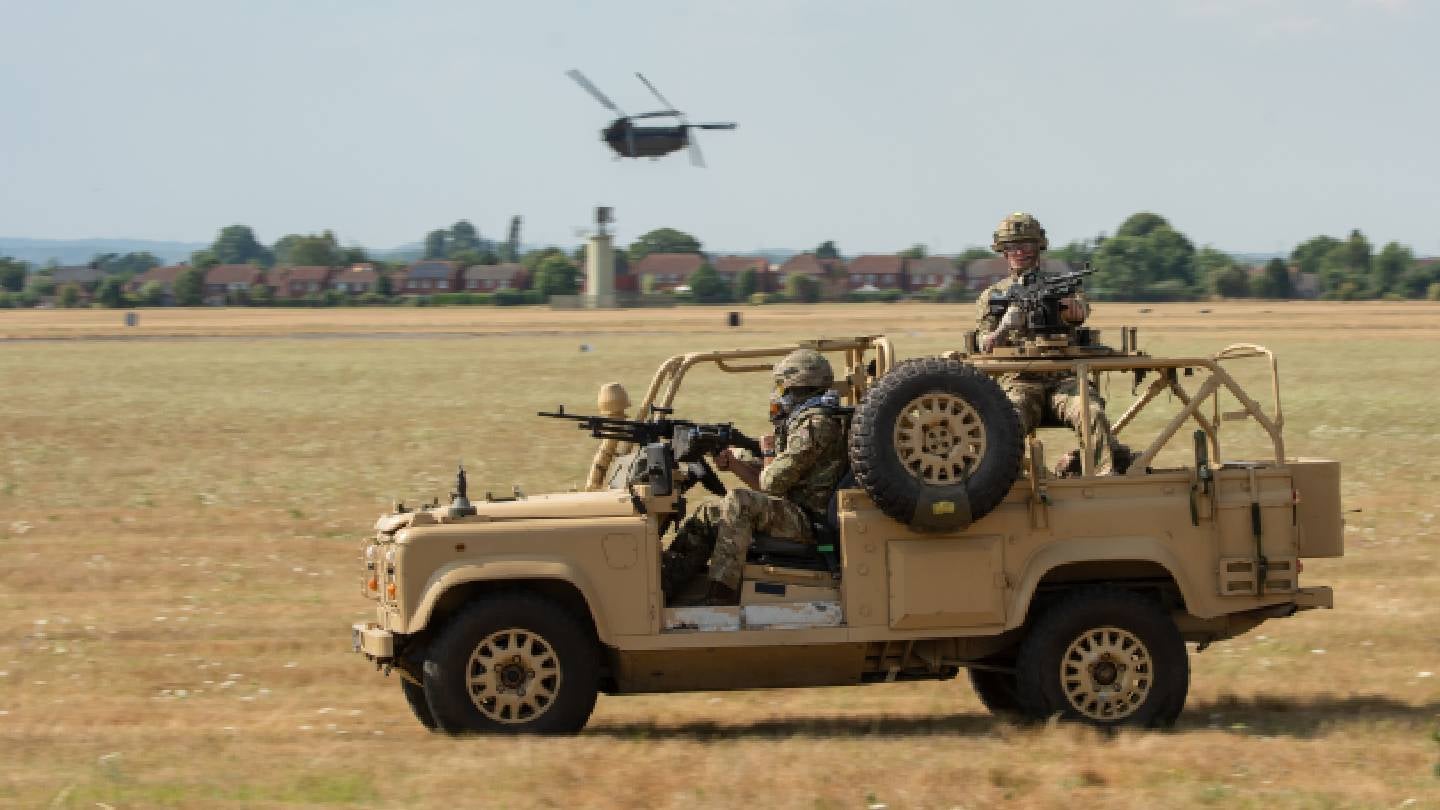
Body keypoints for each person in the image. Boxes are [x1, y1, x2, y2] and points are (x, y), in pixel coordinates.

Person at [660, 349, 848, 605]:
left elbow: (770, 484)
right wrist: (735, 463)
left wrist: (767, 451)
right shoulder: (803, 420)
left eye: (782, 388)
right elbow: (775, 474)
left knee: (740, 501)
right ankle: (664, 587)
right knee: (708, 513)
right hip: (792, 509)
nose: (778, 395)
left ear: (799, 388)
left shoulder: (816, 425)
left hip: (810, 520)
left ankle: (721, 597)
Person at [976, 212, 1122, 475]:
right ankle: (1009, 479)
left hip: (1065, 379)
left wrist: (1069, 309)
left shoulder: (1061, 286)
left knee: (1091, 412)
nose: (1020, 251)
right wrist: (1003, 328)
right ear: (1003, 251)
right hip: (1020, 380)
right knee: (1005, 422)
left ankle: (1104, 478)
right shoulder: (993, 296)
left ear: (1039, 247)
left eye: (1027, 244)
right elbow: (983, 343)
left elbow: (1080, 311)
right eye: (1013, 246)